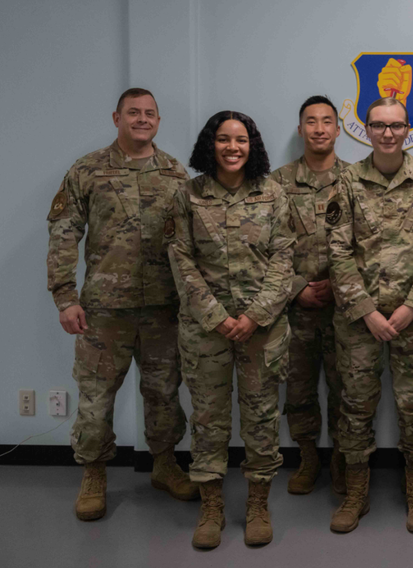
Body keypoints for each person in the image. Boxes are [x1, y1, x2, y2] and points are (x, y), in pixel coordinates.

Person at [47, 88, 197, 522]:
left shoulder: (174, 173)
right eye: (134, 112)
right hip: (103, 311)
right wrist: (65, 296)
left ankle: (165, 465)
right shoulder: (88, 169)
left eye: (150, 113)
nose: (142, 119)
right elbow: (63, 232)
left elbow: (191, 240)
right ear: (117, 118)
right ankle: (94, 474)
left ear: (158, 120)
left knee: (165, 394)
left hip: (163, 310)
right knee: (96, 400)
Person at [168, 110, 295, 549]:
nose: (232, 147)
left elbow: (284, 261)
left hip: (263, 329)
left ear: (252, 144)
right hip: (207, 331)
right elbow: (180, 261)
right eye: (223, 139)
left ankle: (258, 502)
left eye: (240, 139)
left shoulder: (274, 194)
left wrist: (256, 315)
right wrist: (217, 316)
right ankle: (212, 506)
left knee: (261, 417)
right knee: (207, 418)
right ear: (211, 144)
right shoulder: (189, 195)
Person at [326, 97, 413, 534]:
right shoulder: (346, 181)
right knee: (355, 406)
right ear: (367, 129)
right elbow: (337, 252)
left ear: (408, 129)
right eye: (378, 125)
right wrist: (366, 311)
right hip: (359, 321)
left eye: (396, 126)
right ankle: (356, 492)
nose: (388, 133)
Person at [269, 96, 350, 496]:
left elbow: (371, 244)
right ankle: (307, 457)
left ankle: (339, 458)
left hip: (345, 307)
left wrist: (339, 284)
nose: (319, 128)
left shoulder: (356, 179)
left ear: (339, 129)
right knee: (298, 387)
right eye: (311, 122)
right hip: (294, 309)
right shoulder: (275, 183)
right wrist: (297, 288)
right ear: (300, 129)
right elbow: (264, 247)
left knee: (345, 388)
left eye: (327, 121)